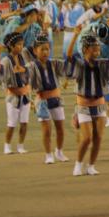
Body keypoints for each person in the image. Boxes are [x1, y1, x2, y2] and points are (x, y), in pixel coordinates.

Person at [65, 28, 109, 176]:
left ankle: (91, 166)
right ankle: (78, 164)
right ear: (85, 49)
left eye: (98, 50)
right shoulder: (80, 64)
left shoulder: (101, 64)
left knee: (98, 138)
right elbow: (69, 56)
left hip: (100, 104)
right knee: (87, 138)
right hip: (83, 105)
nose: (97, 53)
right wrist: (75, 35)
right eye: (94, 50)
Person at [27, 33, 69, 164]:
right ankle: (48, 154)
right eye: (42, 49)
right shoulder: (32, 66)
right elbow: (28, 84)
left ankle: (59, 151)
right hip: (42, 101)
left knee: (61, 128)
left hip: (56, 99)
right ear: (35, 51)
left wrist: (67, 80)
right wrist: (30, 100)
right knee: (46, 130)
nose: (45, 52)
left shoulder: (54, 63)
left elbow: (69, 68)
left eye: (47, 49)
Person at [0, 32, 31, 155]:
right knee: (11, 123)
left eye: (22, 44)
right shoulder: (6, 60)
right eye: (18, 45)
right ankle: (7, 145)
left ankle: (20, 145)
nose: (20, 47)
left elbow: (30, 71)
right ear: (11, 46)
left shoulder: (23, 57)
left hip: (25, 94)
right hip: (13, 96)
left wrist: (25, 70)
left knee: (24, 123)